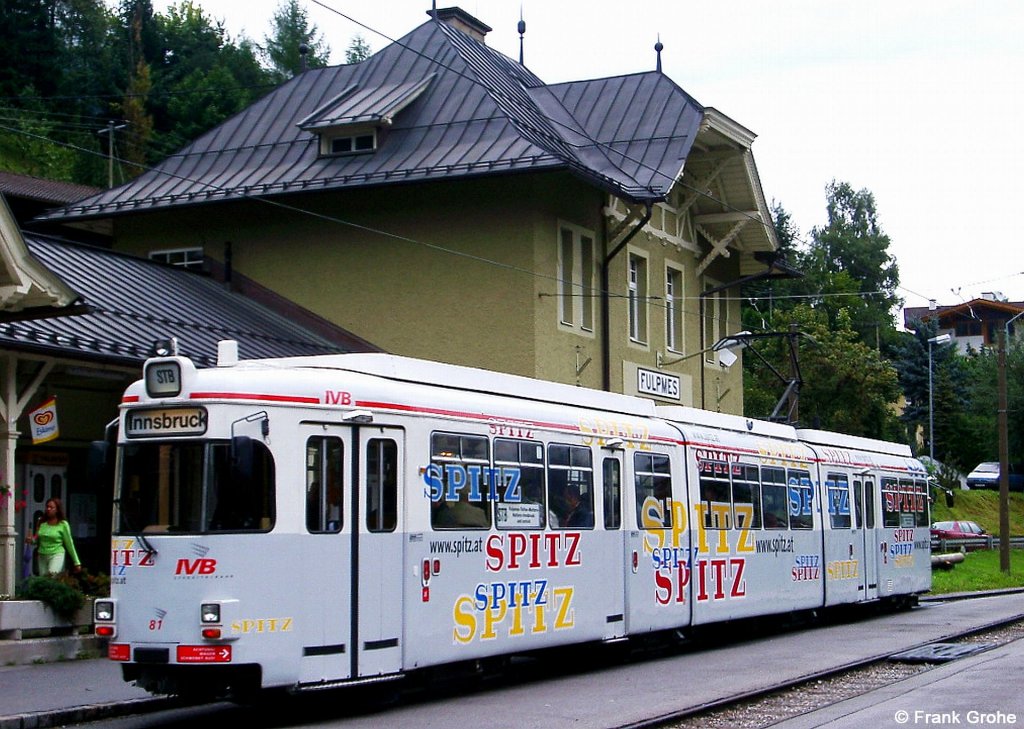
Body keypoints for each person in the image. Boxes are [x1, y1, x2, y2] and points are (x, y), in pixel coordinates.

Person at [26, 498, 81, 575]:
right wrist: (31, 540)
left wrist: (76, 562)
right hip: (42, 555)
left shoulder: (63, 524)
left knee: (52, 576)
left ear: (57, 510)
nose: (48, 509)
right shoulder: (41, 522)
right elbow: (37, 539)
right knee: (43, 580)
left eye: (51, 507)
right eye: (47, 507)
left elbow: (69, 544)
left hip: (56, 554)